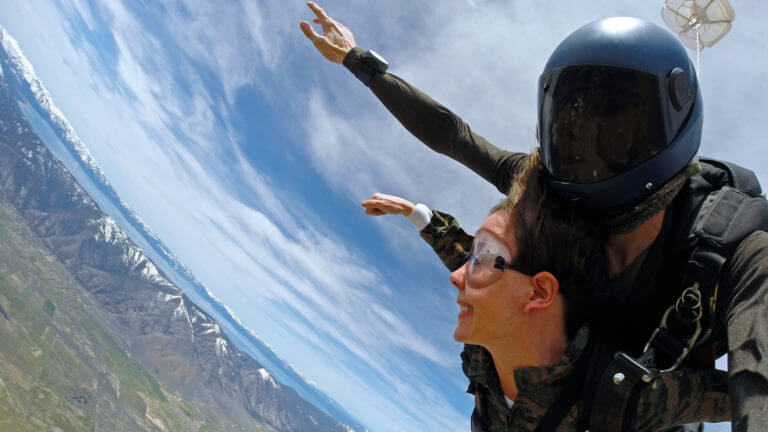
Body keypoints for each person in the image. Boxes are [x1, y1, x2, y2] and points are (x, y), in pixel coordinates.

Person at [301, 4, 768, 431]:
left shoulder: (738, 252)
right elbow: (456, 137)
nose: (585, 153)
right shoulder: (551, 193)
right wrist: (357, 61)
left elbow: (757, 382)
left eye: (616, 134)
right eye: (572, 131)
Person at [360, 150, 730, 431]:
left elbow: (740, 393)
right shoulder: (488, 340)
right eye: (476, 259)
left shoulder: (622, 397)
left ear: (538, 294)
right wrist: (419, 215)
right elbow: (470, 260)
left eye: (484, 258)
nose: (458, 276)